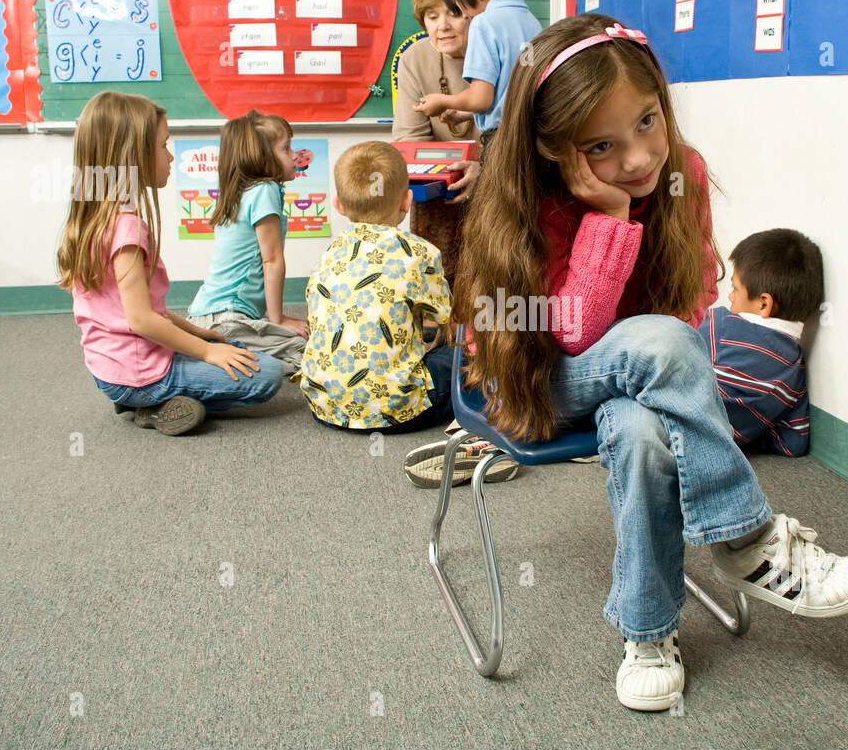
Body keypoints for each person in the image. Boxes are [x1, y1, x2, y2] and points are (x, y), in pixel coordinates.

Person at [451, 13, 848, 712]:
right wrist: (611, 216)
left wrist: (651, 362)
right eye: (601, 146)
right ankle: (747, 539)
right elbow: (574, 332)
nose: (640, 158)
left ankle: (647, 633)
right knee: (663, 345)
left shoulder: (685, 174)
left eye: (648, 122)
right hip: (534, 376)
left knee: (641, 430)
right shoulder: (531, 201)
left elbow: (689, 299)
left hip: (637, 377)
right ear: (554, 149)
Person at [57, 93, 282, 436]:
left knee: (234, 349)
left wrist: (199, 334)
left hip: (110, 367)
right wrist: (206, 352)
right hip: (138, 373)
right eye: (163, 146)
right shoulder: (126, 228)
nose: (170, 156)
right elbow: (141, 319)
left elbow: (140, 311)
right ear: (132, 156)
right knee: (267, 375)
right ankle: (153, 404)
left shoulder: (98, 219)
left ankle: (148, 401)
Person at [298, 141, 515, 478]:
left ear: (339, 205)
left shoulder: (328, 254)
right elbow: (449, 317)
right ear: (407, 200)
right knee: (465, 350)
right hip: (397, 412)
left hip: (325, 405)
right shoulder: (418, 253)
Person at [187, 111, 308, 375]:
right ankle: (208, 364)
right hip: (227, 319)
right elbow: (272, 259)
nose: (294, 155)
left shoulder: (241, 191)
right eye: (286, 148)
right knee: (306, 351)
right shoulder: (266, 190)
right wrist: (279, 320)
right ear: (262, 159)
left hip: (206, 315)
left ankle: (210, 354)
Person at [392, 0, 482, 288]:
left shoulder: (505, 52)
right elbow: (409, 141)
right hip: (441, 186)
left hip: (499, 178)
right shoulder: (415, 58)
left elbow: (521, 134)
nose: (442, 26)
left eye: (454, 13)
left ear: (475, 13)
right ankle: (438, 321)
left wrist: (483, 170)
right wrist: (449, 171)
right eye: (432, 16)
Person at [699, 229, 822, 457]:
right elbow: (794, 442)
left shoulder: (720, 324)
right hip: (715, 447)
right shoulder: (795, 367)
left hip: (666, 423)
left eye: (735, 289)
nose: (730, 297)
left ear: (764, 304)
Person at [412, 0, 542, 139]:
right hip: (530, 134)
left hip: (500, 140)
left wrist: (443, 101)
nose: (465, 15)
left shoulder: (484, 23)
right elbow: (508, 97)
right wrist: (465, 114)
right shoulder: (532, 21)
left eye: (457, 7)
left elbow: (481, 99)